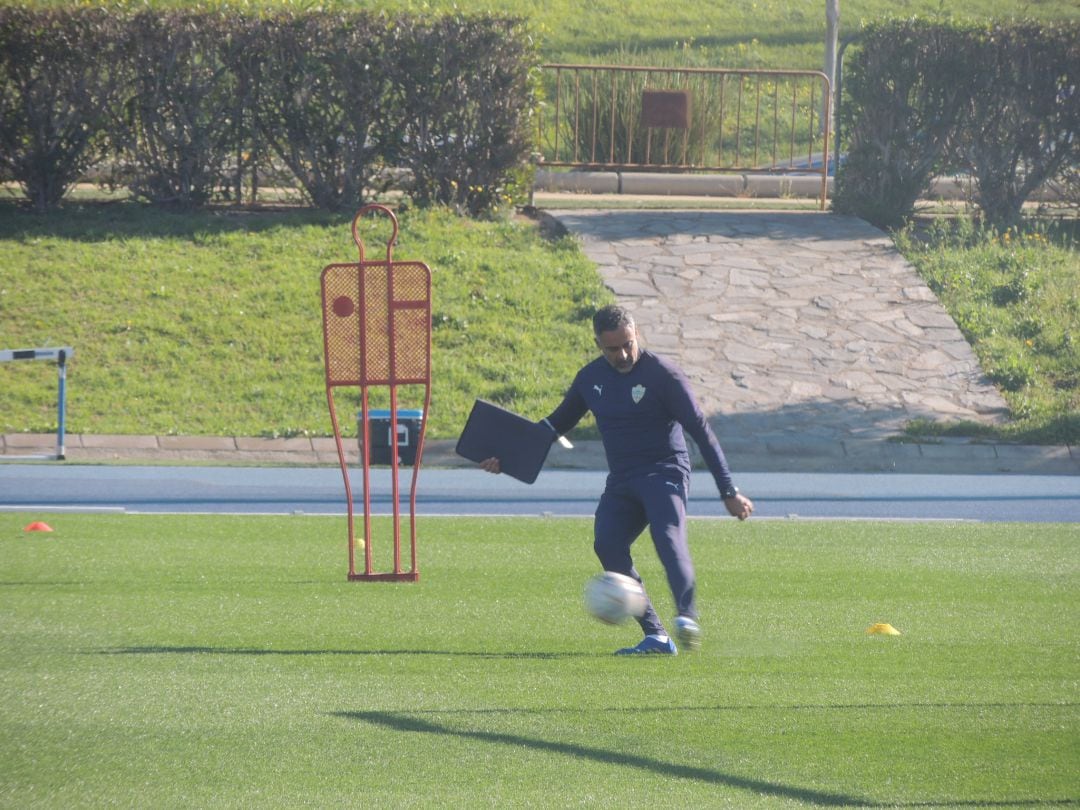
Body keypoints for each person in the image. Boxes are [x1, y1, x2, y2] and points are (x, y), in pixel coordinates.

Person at [481, 304, 753, 655]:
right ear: (598, 344)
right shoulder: (590, 379)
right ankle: (656, 635)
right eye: (613, 348)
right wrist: (505, 459)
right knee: (607, 544)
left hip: (664, 472)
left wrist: (728, 490)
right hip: (623, 480)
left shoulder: (663, 376)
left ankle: (687, 616)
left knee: (666, 536)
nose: (623, 354)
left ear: (636, 334)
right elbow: (553, 425)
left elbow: (701, 432)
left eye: (628, 344)